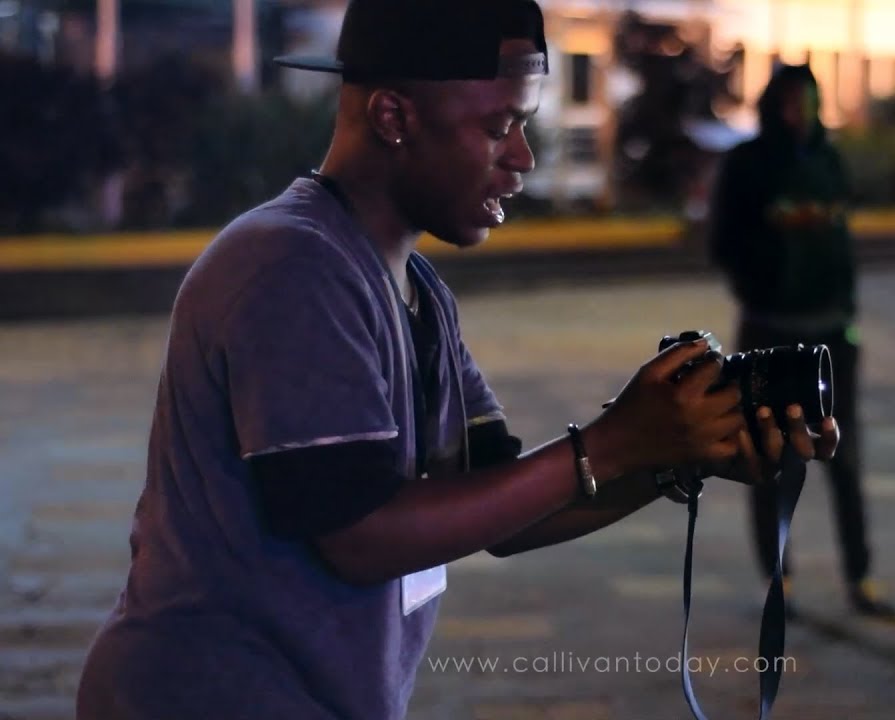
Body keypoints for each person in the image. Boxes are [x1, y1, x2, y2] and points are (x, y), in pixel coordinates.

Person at [74, 2, 839, 718]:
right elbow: (359, 534)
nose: (522, 158)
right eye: (498, 126)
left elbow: (501, 505)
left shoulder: (415, 289)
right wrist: (612, 442)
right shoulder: (291, 265)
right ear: (393, 116)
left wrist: (670, 456)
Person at [707, 64, 895, 620]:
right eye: (790, 104)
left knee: (844, 457)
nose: (800, 116)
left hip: (831, 331)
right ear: (773, 106)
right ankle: (778, 579)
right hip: (769, 330)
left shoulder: (828, 161)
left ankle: (860, 576)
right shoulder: (747, 165)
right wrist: (766, 268)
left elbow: (841, 241)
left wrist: (846, 309)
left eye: (809, 104)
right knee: (771, 458)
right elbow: (724, 243)